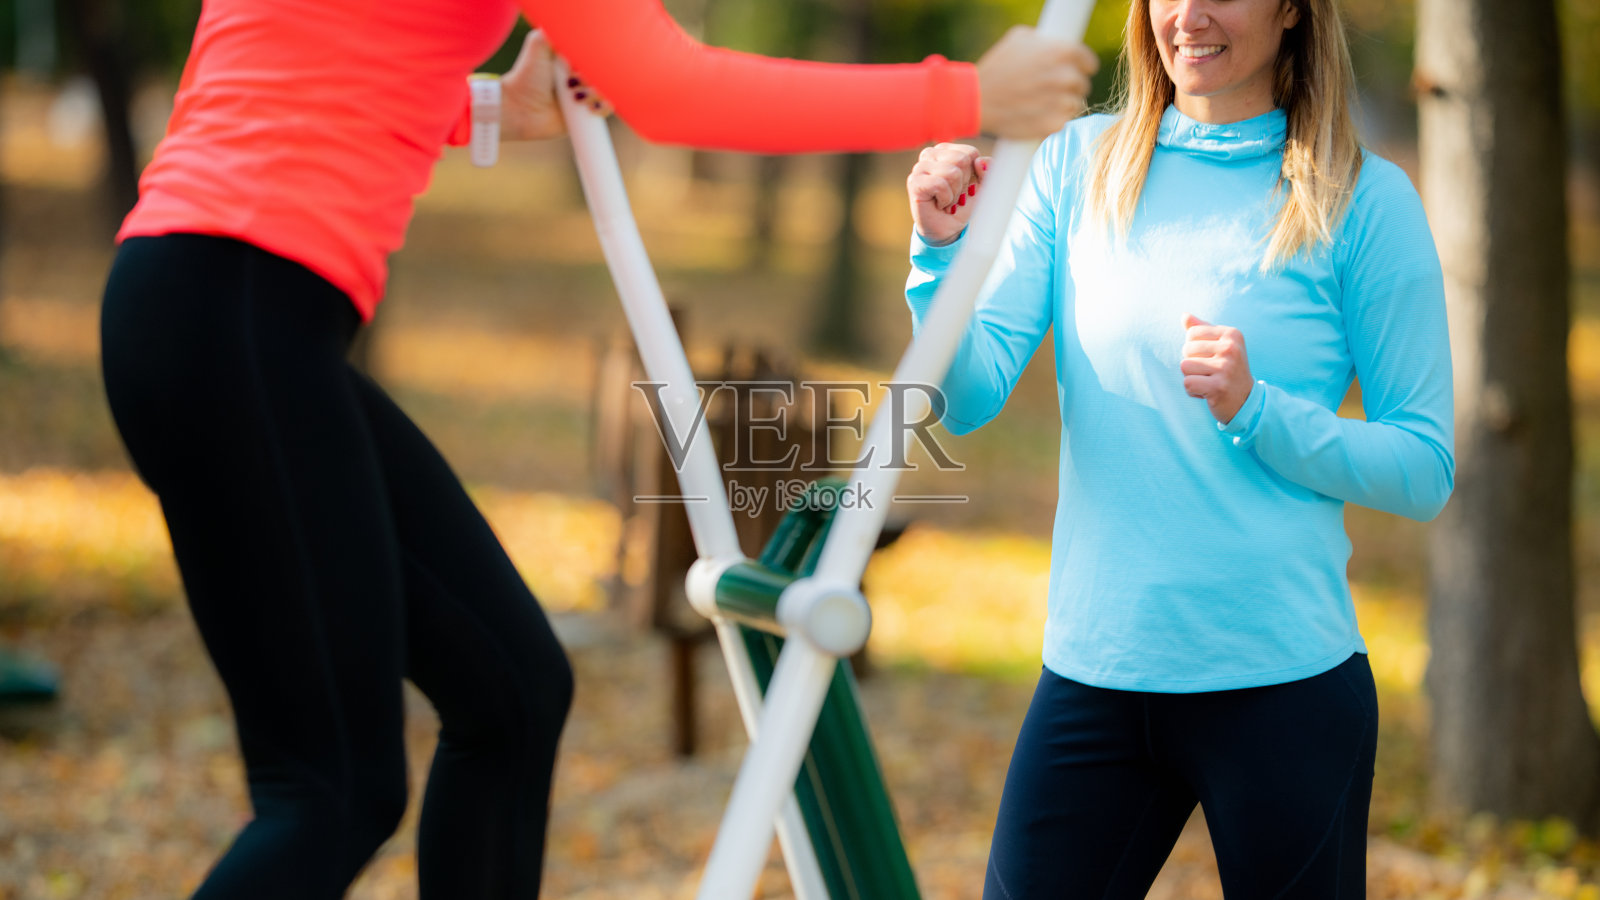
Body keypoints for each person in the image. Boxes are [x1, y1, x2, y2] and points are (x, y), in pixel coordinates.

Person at [97, 1, 1098, 898]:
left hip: (198, 309)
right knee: (330, 792)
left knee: (513, 692)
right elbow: (671, 88)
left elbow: (300, 66)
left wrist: (494, 114)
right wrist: (965, 93)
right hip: (240, 316)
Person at [904, 0, 1453, 897]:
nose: (1188, 14)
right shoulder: (1073, 164)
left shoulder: (1365, 197)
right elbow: (963, 398)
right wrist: (939, 251)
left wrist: (1259, 410)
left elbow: (1424, 470)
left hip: (1283, 684)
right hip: (1097, 675)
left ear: (1288, 9)